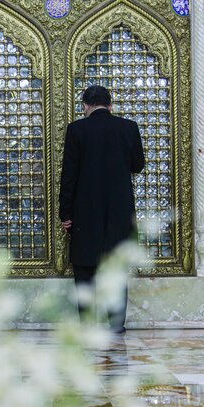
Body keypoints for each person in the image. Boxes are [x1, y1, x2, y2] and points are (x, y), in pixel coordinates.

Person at [59, 85, 145, 333]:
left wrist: (66, 214)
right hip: (120, 211)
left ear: (85, 105)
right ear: (110, 104)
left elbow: (69, 176)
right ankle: (116, 324)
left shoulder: (77, 130)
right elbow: (137, 165)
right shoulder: (128, 128)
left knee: (85, 268)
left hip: (85, 212)